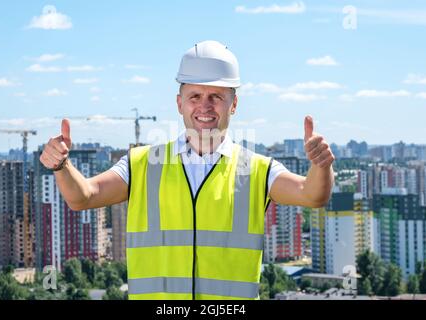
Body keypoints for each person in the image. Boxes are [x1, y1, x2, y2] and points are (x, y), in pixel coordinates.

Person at [39, 40, 335, 300]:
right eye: (195, 96)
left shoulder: (257, 169)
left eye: (216, 97)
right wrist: (62, 166)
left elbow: (311, 195)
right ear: (179, 103)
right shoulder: (141, 163)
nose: (204, 107)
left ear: (234, 105)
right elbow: (84, 197)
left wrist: (321, 166)